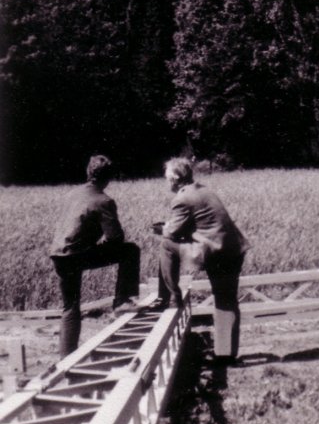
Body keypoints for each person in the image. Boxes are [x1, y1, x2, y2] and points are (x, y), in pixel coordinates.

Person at [155, 157, 247, 363]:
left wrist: (162, 228)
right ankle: (226, 355)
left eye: (167, 178)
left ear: (176, 179)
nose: (166, 182)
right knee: (226, 300)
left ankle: (172, 296)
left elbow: (171, 233)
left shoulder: (182, 198)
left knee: (165, 244)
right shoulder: (204, 190)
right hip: (233, 250)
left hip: (216, 253)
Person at [50, 155, 141, 358]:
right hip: (78, 255)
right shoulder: (104, 201)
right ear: (108, 178)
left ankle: (66, 357)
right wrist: (101, 246)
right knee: (130, 250)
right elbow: (116, 239)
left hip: (58, 255)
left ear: (88, 173)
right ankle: (122, 301)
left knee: (70, 306)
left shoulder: (72, 194)